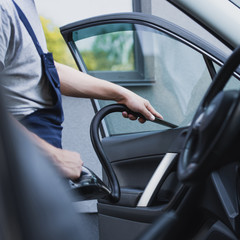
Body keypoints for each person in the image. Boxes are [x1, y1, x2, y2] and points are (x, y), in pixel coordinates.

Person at [0, 0, 163, 180]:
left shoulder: (23, 5)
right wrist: (52, 156)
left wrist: (122, 94)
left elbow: (40, 70)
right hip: (17, 164)